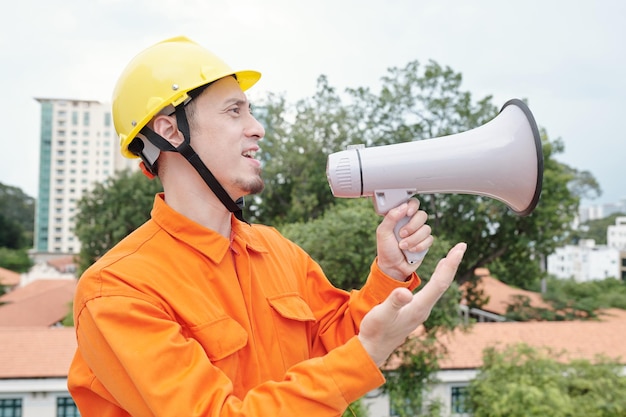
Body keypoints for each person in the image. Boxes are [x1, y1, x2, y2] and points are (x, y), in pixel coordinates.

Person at [67, 36, 467, 417]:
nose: (257, 127)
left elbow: (335, 345)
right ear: (170, 130)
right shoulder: (117, 290)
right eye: (233, 111)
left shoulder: (275, 250)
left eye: (250, 110)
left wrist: (389, 276)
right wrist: (368, 354)